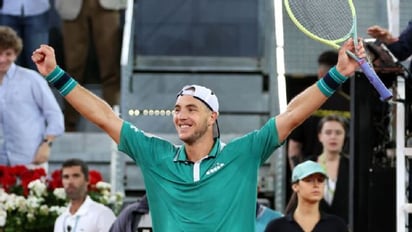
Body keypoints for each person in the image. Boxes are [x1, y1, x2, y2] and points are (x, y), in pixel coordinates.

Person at [32, 37, 365, 231]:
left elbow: (292, 115)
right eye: (177, 109)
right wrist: (56, 75)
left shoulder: (243, 153)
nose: (181, 115)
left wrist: (337, 74)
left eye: (192, 108)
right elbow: (104, 117)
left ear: (212, 116)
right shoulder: (155, 154)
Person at [54, 0, 127, 131]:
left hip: (107, 5)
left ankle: (113, 120)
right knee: (73, 67)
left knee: (110, 66)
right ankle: (69, 122)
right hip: (72, 6)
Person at [0, 26, 64, 169]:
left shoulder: (31, 79)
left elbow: (55, 115)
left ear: (16, 54)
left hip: (30, 159)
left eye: (7, 54)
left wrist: (46, 145)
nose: (2, 59)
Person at [287, 50, 350, 169]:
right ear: (344, 76)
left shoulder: (306, 104)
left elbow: (294, 150)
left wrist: (300, 180)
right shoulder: (351, 105)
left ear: (320, 74)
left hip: (311, 173)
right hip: (344, 173)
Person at [264, 161, 348, 232]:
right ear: (295, 186)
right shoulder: (277, 227)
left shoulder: (337, 226)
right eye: (308, 180)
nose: (316, 185)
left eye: (320, 180)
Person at [54, 158, 116, 232]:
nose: (70, 181)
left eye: (76, 176)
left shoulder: (102, 214)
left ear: (87, 180)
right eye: (66, 177)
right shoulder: (60, 220)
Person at [311, 115, 349, 224]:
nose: (333, 137)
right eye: (328, 132)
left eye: (338, 133)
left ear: (344, 136)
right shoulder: (308, 165)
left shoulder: (351, 166)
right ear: (320, 136)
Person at [0, 0, 50, 70]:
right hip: (6, 9)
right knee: (8, 60)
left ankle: (37, 81)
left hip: (37, 10)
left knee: (38, 59)